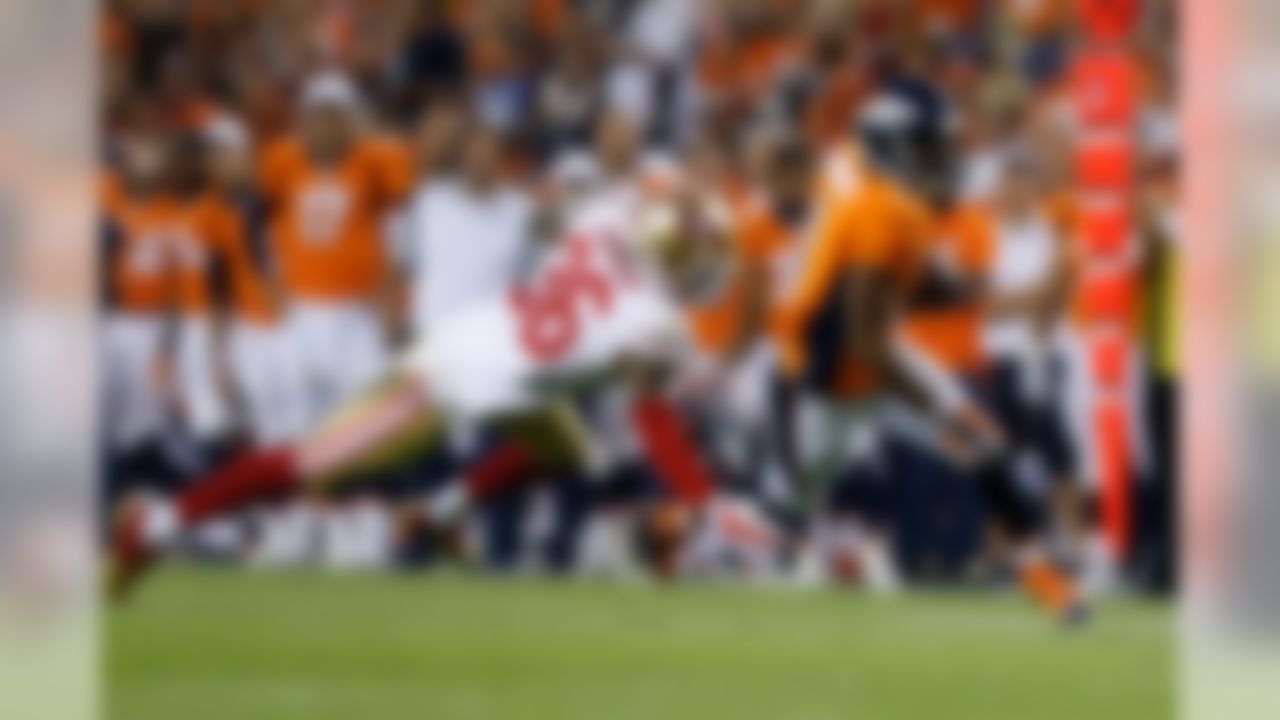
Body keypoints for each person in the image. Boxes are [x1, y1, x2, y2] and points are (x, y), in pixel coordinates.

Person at [108, 182, 732, 598]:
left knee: (571, 448)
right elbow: (654, 415)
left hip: (488, 346)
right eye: (701, 262)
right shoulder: (656, 322)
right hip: (457, 378)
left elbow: (550, 214)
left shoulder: (603, 221)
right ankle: (156, 524)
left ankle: (436, 516)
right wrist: (699, 494)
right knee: (312, 467)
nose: (706, 275)